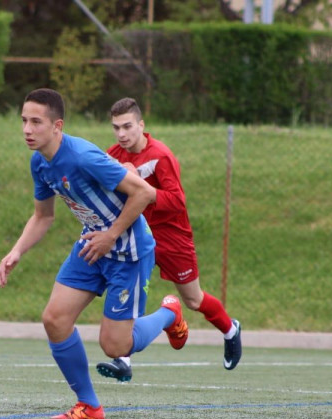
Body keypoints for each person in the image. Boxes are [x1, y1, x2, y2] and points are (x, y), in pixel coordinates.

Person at [0, 88, 190, 419]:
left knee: (115, 347)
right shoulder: (39, 162)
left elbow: (144, 193)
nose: (28, 129)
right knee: (54, 320)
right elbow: (43, 216)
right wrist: (17, 250)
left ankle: (169, 314)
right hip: (91, 246)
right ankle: (89, 406)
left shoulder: (84, 157)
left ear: (57, 126)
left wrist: (111, 235)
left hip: (128, 250)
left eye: (36, 122)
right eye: (24, 121)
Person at [95, 98, 241, 383]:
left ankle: (230, 330)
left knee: (194, 300)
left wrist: (143, 189)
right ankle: (122, 358)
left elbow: (177, 201)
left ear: (141, 125)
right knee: (129, 287)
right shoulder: (112, 154)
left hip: (172, 237)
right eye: (116, 128)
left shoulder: (160, 156)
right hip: (137, 235)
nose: (122, 134)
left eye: (127, 126)